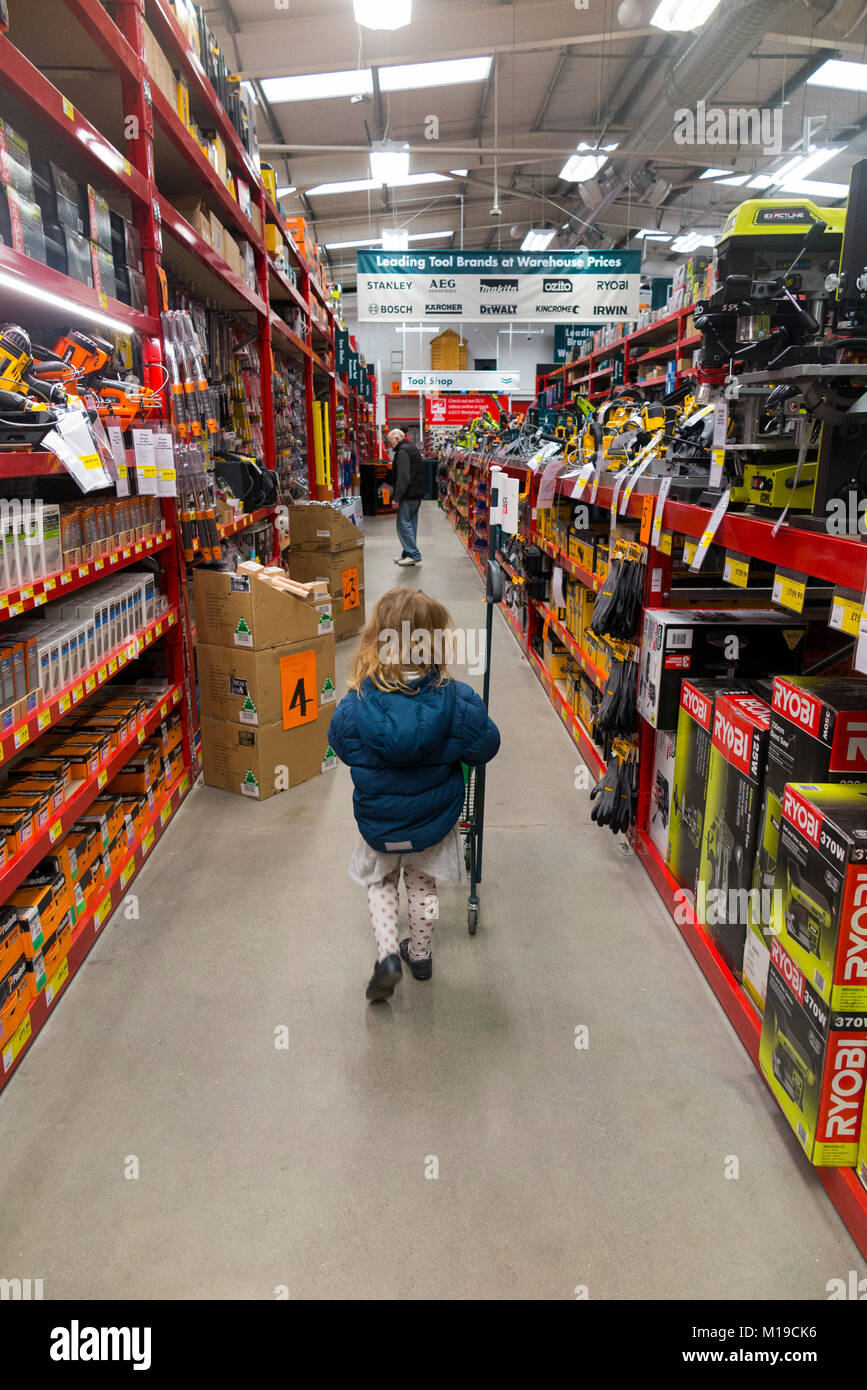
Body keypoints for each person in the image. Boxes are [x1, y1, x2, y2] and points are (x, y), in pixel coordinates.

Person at [327, 587, 501, 1003]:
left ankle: (389, 953)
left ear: (376, 639)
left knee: (382, 881)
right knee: (423, 885)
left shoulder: (354, 704)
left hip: (380, 822)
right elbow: (485, 748)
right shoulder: (456, 699)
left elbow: (342, 748)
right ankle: (419, 955)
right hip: (432, 822)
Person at [387, 428, 425, 567]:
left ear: (397, 439)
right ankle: (408, 553)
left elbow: (403, 476)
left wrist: (397, 498)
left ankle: (414, 554)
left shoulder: (402, 451)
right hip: (416, 492)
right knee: (411, 524)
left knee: (403, 525)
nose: (390, 445)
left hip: (408, 494)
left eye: (391, 442)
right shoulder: (412, 448)